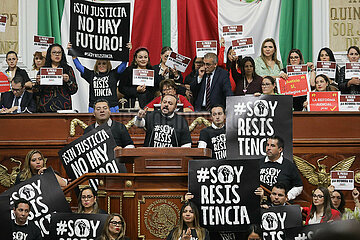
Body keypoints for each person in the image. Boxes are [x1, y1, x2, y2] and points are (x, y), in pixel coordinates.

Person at [68, 42, 131, 113]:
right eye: (99, 64)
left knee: (114, 124)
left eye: (104, 63)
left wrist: (127, 51)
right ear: (96, 65)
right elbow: (79, 67)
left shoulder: (113, 74)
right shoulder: (91, 74)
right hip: (94, 108)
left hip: (112, 107)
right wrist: (73, 54)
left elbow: (123, 66)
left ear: (108, 65)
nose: (101, 65)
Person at [33, 43, 78, 112]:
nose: (57, 54)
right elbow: (36, 92)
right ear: (49, 54)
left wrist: (68, 81)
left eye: (59, 52)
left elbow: (74, 90)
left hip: (64, 107)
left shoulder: (67, 69)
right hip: (45, 108)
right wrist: (38, 83)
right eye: (54, 52)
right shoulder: (43, 70)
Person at [259, 135, 303, 201]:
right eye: (267, 145)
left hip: (280, 206)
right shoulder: (258, 163)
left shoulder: (289, 165)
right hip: (261, 203)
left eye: (272, 146)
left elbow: (299, 186)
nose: (268, 148)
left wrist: (287, 197)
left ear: (280, 149)